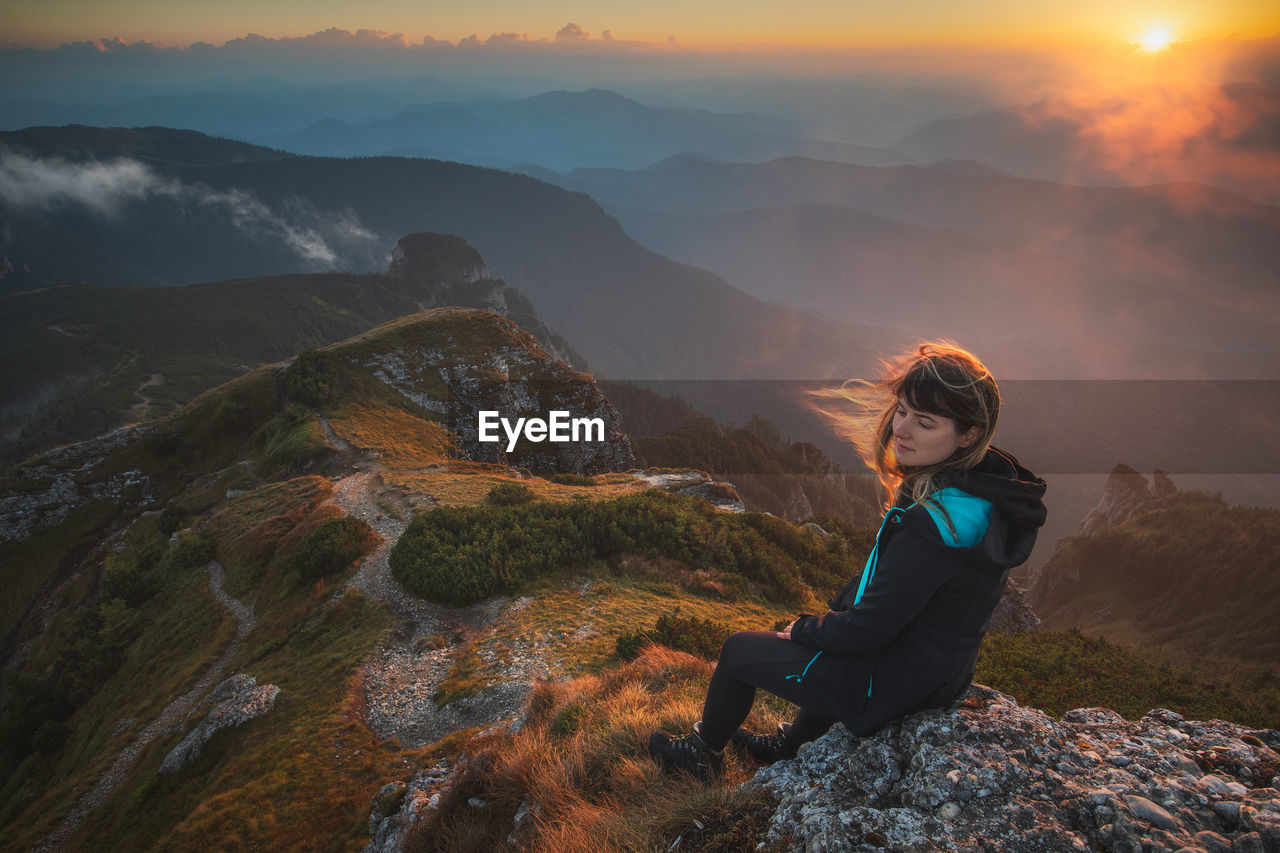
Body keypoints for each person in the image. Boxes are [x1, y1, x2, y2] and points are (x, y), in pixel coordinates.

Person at [648, 341, 1047, 780]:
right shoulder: (982, 494)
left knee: (739, 652)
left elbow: (868, 631)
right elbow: (911, 594)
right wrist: (838, 612)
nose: (903, 429)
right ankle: (792, 746)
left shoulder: (932, 528)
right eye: (903, 411)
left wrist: (805, 627)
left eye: (925, 422)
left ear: (968, 434)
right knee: (830, 625)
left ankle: (701, 755)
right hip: (936, 675)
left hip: (890, 684)